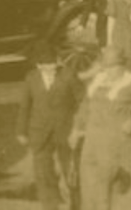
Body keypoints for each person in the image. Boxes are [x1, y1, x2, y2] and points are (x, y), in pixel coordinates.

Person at [73, 44, 131, 210]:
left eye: (114, 67)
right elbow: (85, 106)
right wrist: (76, 129)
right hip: (92, 144)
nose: (110, 71)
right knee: (91, 186)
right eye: (106, 67)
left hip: (118, 146)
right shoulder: (97, 81)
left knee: (120, 190)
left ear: (123, 65)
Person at [15, 43, 82, 210]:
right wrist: (21, 131)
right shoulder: (31, 78)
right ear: (38, 66)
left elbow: (83, 103)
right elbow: (25, 106)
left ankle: (77, 204)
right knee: (43, 172)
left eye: (54, 66)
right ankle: (50, 205)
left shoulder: (68, 75)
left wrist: (79, 128)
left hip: (66, 131)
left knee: (71, 171)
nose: (52, 71)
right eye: (47, 68)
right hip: (39, 133)